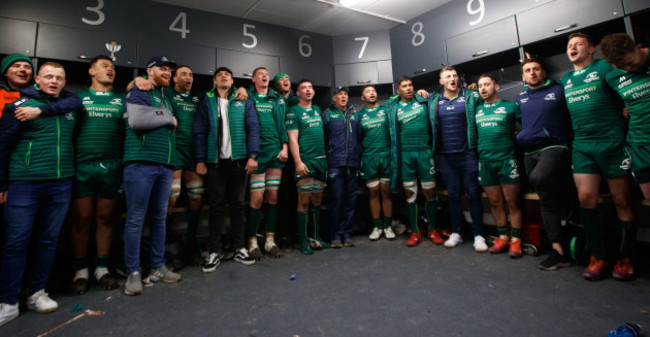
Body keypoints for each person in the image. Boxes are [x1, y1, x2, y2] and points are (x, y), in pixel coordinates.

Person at [0, 62, 77, 325]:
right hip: (24, 183)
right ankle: (8, 301)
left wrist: (41, 111)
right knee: (15, 242)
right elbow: (2, 146)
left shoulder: (68, 104)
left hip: (61, 182)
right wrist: (1, 184)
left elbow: (75, 102)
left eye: (59, 78)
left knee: (48, 240)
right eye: (48, 77)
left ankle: (37, 292)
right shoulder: (17, 107)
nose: (54, 81)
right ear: (37, 79)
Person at [559, 33, 636, 279]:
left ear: (592, 49)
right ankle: (598, 257)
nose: (572, 47)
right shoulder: (566, 79)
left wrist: (627, 109)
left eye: (578, 44)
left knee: (622, 201)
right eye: (569, 45)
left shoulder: (605, 67)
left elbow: (630, 86)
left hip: (613, 143)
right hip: (583, 145)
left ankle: (626, 258)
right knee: (586, 198)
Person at [122, 56, 182, 296]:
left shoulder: (165, 96)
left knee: (160, 218)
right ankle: (133, 272)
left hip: (164, 165)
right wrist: (167, 117)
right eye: (162, 68)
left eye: (169, 69)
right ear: (150, 71)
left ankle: (158, 266)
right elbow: (136, 121)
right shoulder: (139, 90)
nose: (167, 72)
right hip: (140, 163)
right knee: (136, 219)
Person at [194, 66, 260, 271]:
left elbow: (253, 127)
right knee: (215, 206)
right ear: (214, 80)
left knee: (238, 205)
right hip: (215, 163)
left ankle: (239, 248)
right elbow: (199, 131)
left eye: (228, 75)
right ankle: (214, 251)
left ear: (233, 81)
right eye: (220, 75)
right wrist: (200, 159)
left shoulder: (242, 100)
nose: (224, 77)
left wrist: (253, 155)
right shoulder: (206, 101)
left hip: (239, 161)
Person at [70, 55, 124, 294]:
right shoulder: (78, 99)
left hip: (111, 167)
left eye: (112, 67)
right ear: (91, 71)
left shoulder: (122, 100)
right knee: (81, 219)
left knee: (105, 218)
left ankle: (101, 268)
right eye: (104, 66)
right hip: (82, 166)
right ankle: (80, 271)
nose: (110, 70)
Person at [600, 32, 650, 280]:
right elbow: (617, 104)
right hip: (640, 146)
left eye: (631, 63)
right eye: (622, 67)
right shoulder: (612, 76)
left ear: (638, 46)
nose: (629, 70)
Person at [515, 59, 574, 263]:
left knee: (537, 178)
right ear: (523, 77)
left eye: (536, 69)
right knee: (545, 200)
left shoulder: (559, 90)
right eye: (527, 71)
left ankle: (571, 211)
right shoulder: (521, 97)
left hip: (555, 146)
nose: (532, 73)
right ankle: (557, 248)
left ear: (544, 72)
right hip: (530, 151)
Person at [424, 67, 487, 252]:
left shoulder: (470, 96)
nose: (452, 79)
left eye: (454, 76)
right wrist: (420, 93)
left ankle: (479, 235)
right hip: (446, 158)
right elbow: (412, 100)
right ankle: (457, 233)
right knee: (452, 197)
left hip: (468, 155)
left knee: (473, 195)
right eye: (448, 76)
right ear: (441, 81)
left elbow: (490, 98)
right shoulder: (434, 100)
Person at [472, 74, 524, 258]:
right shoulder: (476, 110)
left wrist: (517, 134)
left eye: (487, 84)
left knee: (513, 202)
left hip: (506, 160)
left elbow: (526, 125)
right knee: (495, 202)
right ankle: (503, 236)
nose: (483, 88)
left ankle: (516, 240)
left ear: (497, 86)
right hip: (485, 162)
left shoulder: (510, 106)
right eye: (480, 86)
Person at [387, 76, 440, 247]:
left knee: (429, 193)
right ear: (398, 90)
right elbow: (386, 104)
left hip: (424, 154)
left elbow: (437, 97)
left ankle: (432, 230)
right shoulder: (394, 107)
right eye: (404, 86)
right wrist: (395, 97)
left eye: (411, 85)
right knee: (410, 195)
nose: (409, 88)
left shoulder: (423, 101)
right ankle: (415, 231)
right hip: (406, 156)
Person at [163, 65, 205, 265]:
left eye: (191, 74)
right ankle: (165, 248)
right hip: (175, 153)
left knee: (196, 198)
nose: (188, 77)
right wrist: (137, 80)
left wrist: (242, 89)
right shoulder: (167, 92)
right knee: (170, 199)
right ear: (174, 78)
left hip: (194, 154)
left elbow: (224, 92)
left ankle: (191, 245)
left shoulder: (198, 97)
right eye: (184, 74)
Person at [246, 67, 288, 259]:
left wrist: (285, 147)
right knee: (256, 198)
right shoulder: (247, 96)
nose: (264, 75)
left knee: (272, 196)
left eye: (266, 73)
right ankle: (252, 242)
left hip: (275, 152)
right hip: (257, 153)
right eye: (260, 73)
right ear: (254, 79)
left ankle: (270, 241)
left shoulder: (277, 98)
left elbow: (282, 124)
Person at [286, 79, 328, 255]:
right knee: (303, 202)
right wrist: (298, 162)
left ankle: (316, 237)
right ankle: (304, 241)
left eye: (310, 87)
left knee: (317, 201)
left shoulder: (318, 110)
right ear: (298, 93)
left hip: (321, 161)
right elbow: (292, 139)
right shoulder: (293, 111)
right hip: (305, 161)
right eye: (303, 88)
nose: (308, 90)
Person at [357, 85, 395, 241]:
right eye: (367, 91)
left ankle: (388, 226)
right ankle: (377, 226)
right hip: (369, 158)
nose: (371, 93)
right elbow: (357, 138)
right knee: (373, 192)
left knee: (386, 192)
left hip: (386, 156)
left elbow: (399, 98)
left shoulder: (386, 110)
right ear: (362, 98)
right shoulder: (359, 115)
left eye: (373, 91)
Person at [322, 86, 359, 247]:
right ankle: (336, 235)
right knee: (336, 200)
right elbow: (321, 138)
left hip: (352, 164)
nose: (343, 97)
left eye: (345, 94)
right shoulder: (327, 114)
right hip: (335, 164)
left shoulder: (354, 114)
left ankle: (347, 234)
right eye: (339, 94)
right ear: (334, 98)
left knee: (350, 201)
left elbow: (360, 138)